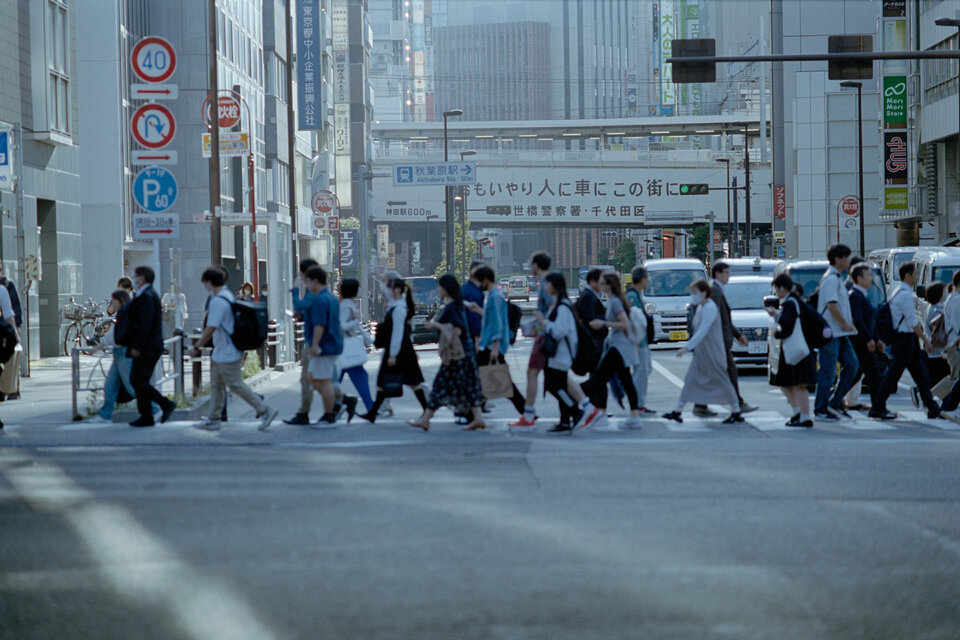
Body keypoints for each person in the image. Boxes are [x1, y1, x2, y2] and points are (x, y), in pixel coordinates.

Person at [188, 267, 278, 431]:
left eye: (204, 283)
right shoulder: (227, 296)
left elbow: (211, 328)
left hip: (227, 351)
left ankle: (264, 410)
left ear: (209, 282)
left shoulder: (217, 302)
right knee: (217, 385)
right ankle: (213, 417)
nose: (204, 286)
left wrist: (196, 346)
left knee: (236, 384)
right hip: (223, 351)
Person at [407, 274, 485, 431]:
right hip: (465, 353)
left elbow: (455, 331)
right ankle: (477, 418)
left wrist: (436, 325)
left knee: (440, 387)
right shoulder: (458, 304)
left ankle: (426, 419)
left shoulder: (451, 309)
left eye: (440, 286)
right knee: (468, 386)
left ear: (446, 289)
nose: (437, 289)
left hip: (457, 355)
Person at [662, 279, 742, 424]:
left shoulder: (710, 308)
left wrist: (687, 347)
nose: (693, 296)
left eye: (695, 292)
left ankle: (736, 410)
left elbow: (703, 331)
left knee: (723, 381)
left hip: (713, 351)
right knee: (690, 379)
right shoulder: (700, 307)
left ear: (704, 293)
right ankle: (677, 410)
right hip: (702, 352)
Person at [870, 262, 940, 420]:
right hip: (905, 339)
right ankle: (877, 407)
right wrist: (926, 341)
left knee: (920, 375)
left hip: (906, 339)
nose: (917, 276)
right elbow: (912, 321)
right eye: (915, 273)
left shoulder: (898, 291)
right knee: (893, 376)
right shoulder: (905, 294)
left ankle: (932, 407)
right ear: (907, 275)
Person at [533, 273, 601, 433]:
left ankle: (576, 411)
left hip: (560, 355)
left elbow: (559, 331)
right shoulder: (558, 304)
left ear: (555, 286)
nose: (545, 287)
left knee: (553, 386)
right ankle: (565, 420)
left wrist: (544, 322)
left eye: (548, 284)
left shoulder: (562, 307)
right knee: (561, 386)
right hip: (556, 355)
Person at [580, 272, 644, 428]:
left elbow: (625, 324)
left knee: (601, 378)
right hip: (620, 346)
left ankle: (601, 413)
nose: (601, 286)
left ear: (609, 285)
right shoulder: (615, 300)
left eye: (603, 283)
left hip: (618, 347)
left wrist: (603, 324)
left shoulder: (615, 301)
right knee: (625, 380)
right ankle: (633, 416)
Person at [693, 261, 757, 416]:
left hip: (719, 339)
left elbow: (723, 318)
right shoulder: (714, 291)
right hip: (718, 340)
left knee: (715, 373)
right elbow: (714, 317)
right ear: (717, 274)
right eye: (726, 273)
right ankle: (737, 404)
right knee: (730, 371)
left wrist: (737, 334)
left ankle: (701, 405)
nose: (729, 276)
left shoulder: (716, 290)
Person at [360, 278, 428, 422]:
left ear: (397, 290)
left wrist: (393, 355)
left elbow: (398, 333)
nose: (387, 291)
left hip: (399, 351)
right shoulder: (396, 306)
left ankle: (427, 410)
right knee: (387, 382)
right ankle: (372, 413)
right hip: (400, 350)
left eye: (389, 288)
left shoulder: (399, 309)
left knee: (411, 382)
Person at [116, 266, 175, 427]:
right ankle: (146, 416)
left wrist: (137, 346)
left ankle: (165, 404)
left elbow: (145, 325)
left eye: (135, 277)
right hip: (146, 346)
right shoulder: (145, 295)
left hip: (147, 347)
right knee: (138, 380)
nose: (133, 280)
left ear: (141, 278)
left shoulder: (147, 296)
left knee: (138, 380)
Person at [467, 265, 526, 416]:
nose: (479, 285)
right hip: (490, 345)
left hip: (492, 347)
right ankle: (474, 410)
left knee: (488, 378)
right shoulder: (494, 295)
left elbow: (498, 323)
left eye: (480, 281)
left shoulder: (495, 296)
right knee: (488, 378)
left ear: (486, 280)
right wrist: (477, 309)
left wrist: (494, 346)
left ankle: (527, 412)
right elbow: (491, 318)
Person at [302, 266, 355, 424]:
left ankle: (330, 413)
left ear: (316, 281)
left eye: (308, 282)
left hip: (324, 346)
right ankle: (338, 404)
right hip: (333, 344)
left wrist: (315, 345)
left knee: (323, 381)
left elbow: (319, 325)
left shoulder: (319, 299)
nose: (307, 285)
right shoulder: (331, 297)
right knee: (312, 377)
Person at [813, 244, 859, 422]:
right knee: (828, 371)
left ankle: (835, 401)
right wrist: (845, 324)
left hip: (840, 333)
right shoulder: (831, 279)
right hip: (831, 332)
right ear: (838, 259)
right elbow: (831, 305)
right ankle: (821, 408)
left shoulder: (838, 278)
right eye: (847, 257)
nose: (849, 260)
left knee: (852, 365)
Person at [509, 251, 554, 428]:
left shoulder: (546, 285)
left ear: (537, 265)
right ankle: (586, 408)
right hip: (545, 334)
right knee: (557, 377)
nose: (530, 267)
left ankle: (528, 414)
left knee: (533, 372)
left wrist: (541, 325)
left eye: (531, 263)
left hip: (545, 337)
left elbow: (551, 310)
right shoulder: (546, 282)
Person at [768, 274, 816, 427]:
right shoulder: (795, 302)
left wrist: (777, 333)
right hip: (800, 348)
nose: (776, 292)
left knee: (796, 384)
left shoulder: (790, 303)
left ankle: (803, 416)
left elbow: (788, 328)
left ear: (782, 287)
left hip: (793, 349)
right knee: (788, 382)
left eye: (776, 288)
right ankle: (799, 414)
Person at [84, 290, 138, 422]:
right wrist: (96, 348)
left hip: (124, 353)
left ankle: (155, 407)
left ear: (121, 301)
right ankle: (105, 414)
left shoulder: (126, 314)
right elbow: (111, 336)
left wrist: (95, 348)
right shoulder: (124, 313)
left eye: (114, 301)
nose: (112, 304)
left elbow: (112, 336)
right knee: (111, 385)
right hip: (120, 353)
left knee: (132, 387)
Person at [284, 259, 321, 425]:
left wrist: (293, 289)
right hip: (315, 340)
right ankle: (338, 402)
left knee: (309, 378)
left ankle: (305, 412)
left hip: (313, 341)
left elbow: (300, 306)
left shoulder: (312, 291)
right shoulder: (315, 291)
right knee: (317, 379)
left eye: (301, 273)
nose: (299, 276)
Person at [847, 264, 884, 412]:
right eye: (868, 275)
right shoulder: (854, 295)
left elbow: (869, 322)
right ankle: (878, 409)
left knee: (855, 375)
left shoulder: (862, 295)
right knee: (872, 375)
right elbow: (858, 321)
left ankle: (834, 401)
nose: (871, 278)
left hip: (865, 342)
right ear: (859, 278)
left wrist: (876, 339)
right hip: (860, 343)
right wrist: (869, 339)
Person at [338, 278, 374, 414]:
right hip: (347, 346)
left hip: (344, 347)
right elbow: (342, 325)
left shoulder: (345, 304)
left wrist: (367, 336)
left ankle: (334, 407)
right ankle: (369, 407)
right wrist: (354, 323)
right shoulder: (347, 306)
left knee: (335, 380)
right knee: (360, 376)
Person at [626, 266, 655, 415]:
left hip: (642, 341)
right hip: (638, 342)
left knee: (645, 369)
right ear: (642, 279)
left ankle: (638, 402)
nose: (648, 282)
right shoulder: (632, 296)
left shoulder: (636, 295)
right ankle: (637, 403)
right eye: (647, 279)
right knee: (641, 371)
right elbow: (632, 321)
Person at [0, 277, 21, 406]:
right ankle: (10, 389)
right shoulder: (2, 289)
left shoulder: (5, 286)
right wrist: (16, 335)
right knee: (9, 358)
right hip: (2, 334)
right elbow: (9, 316)